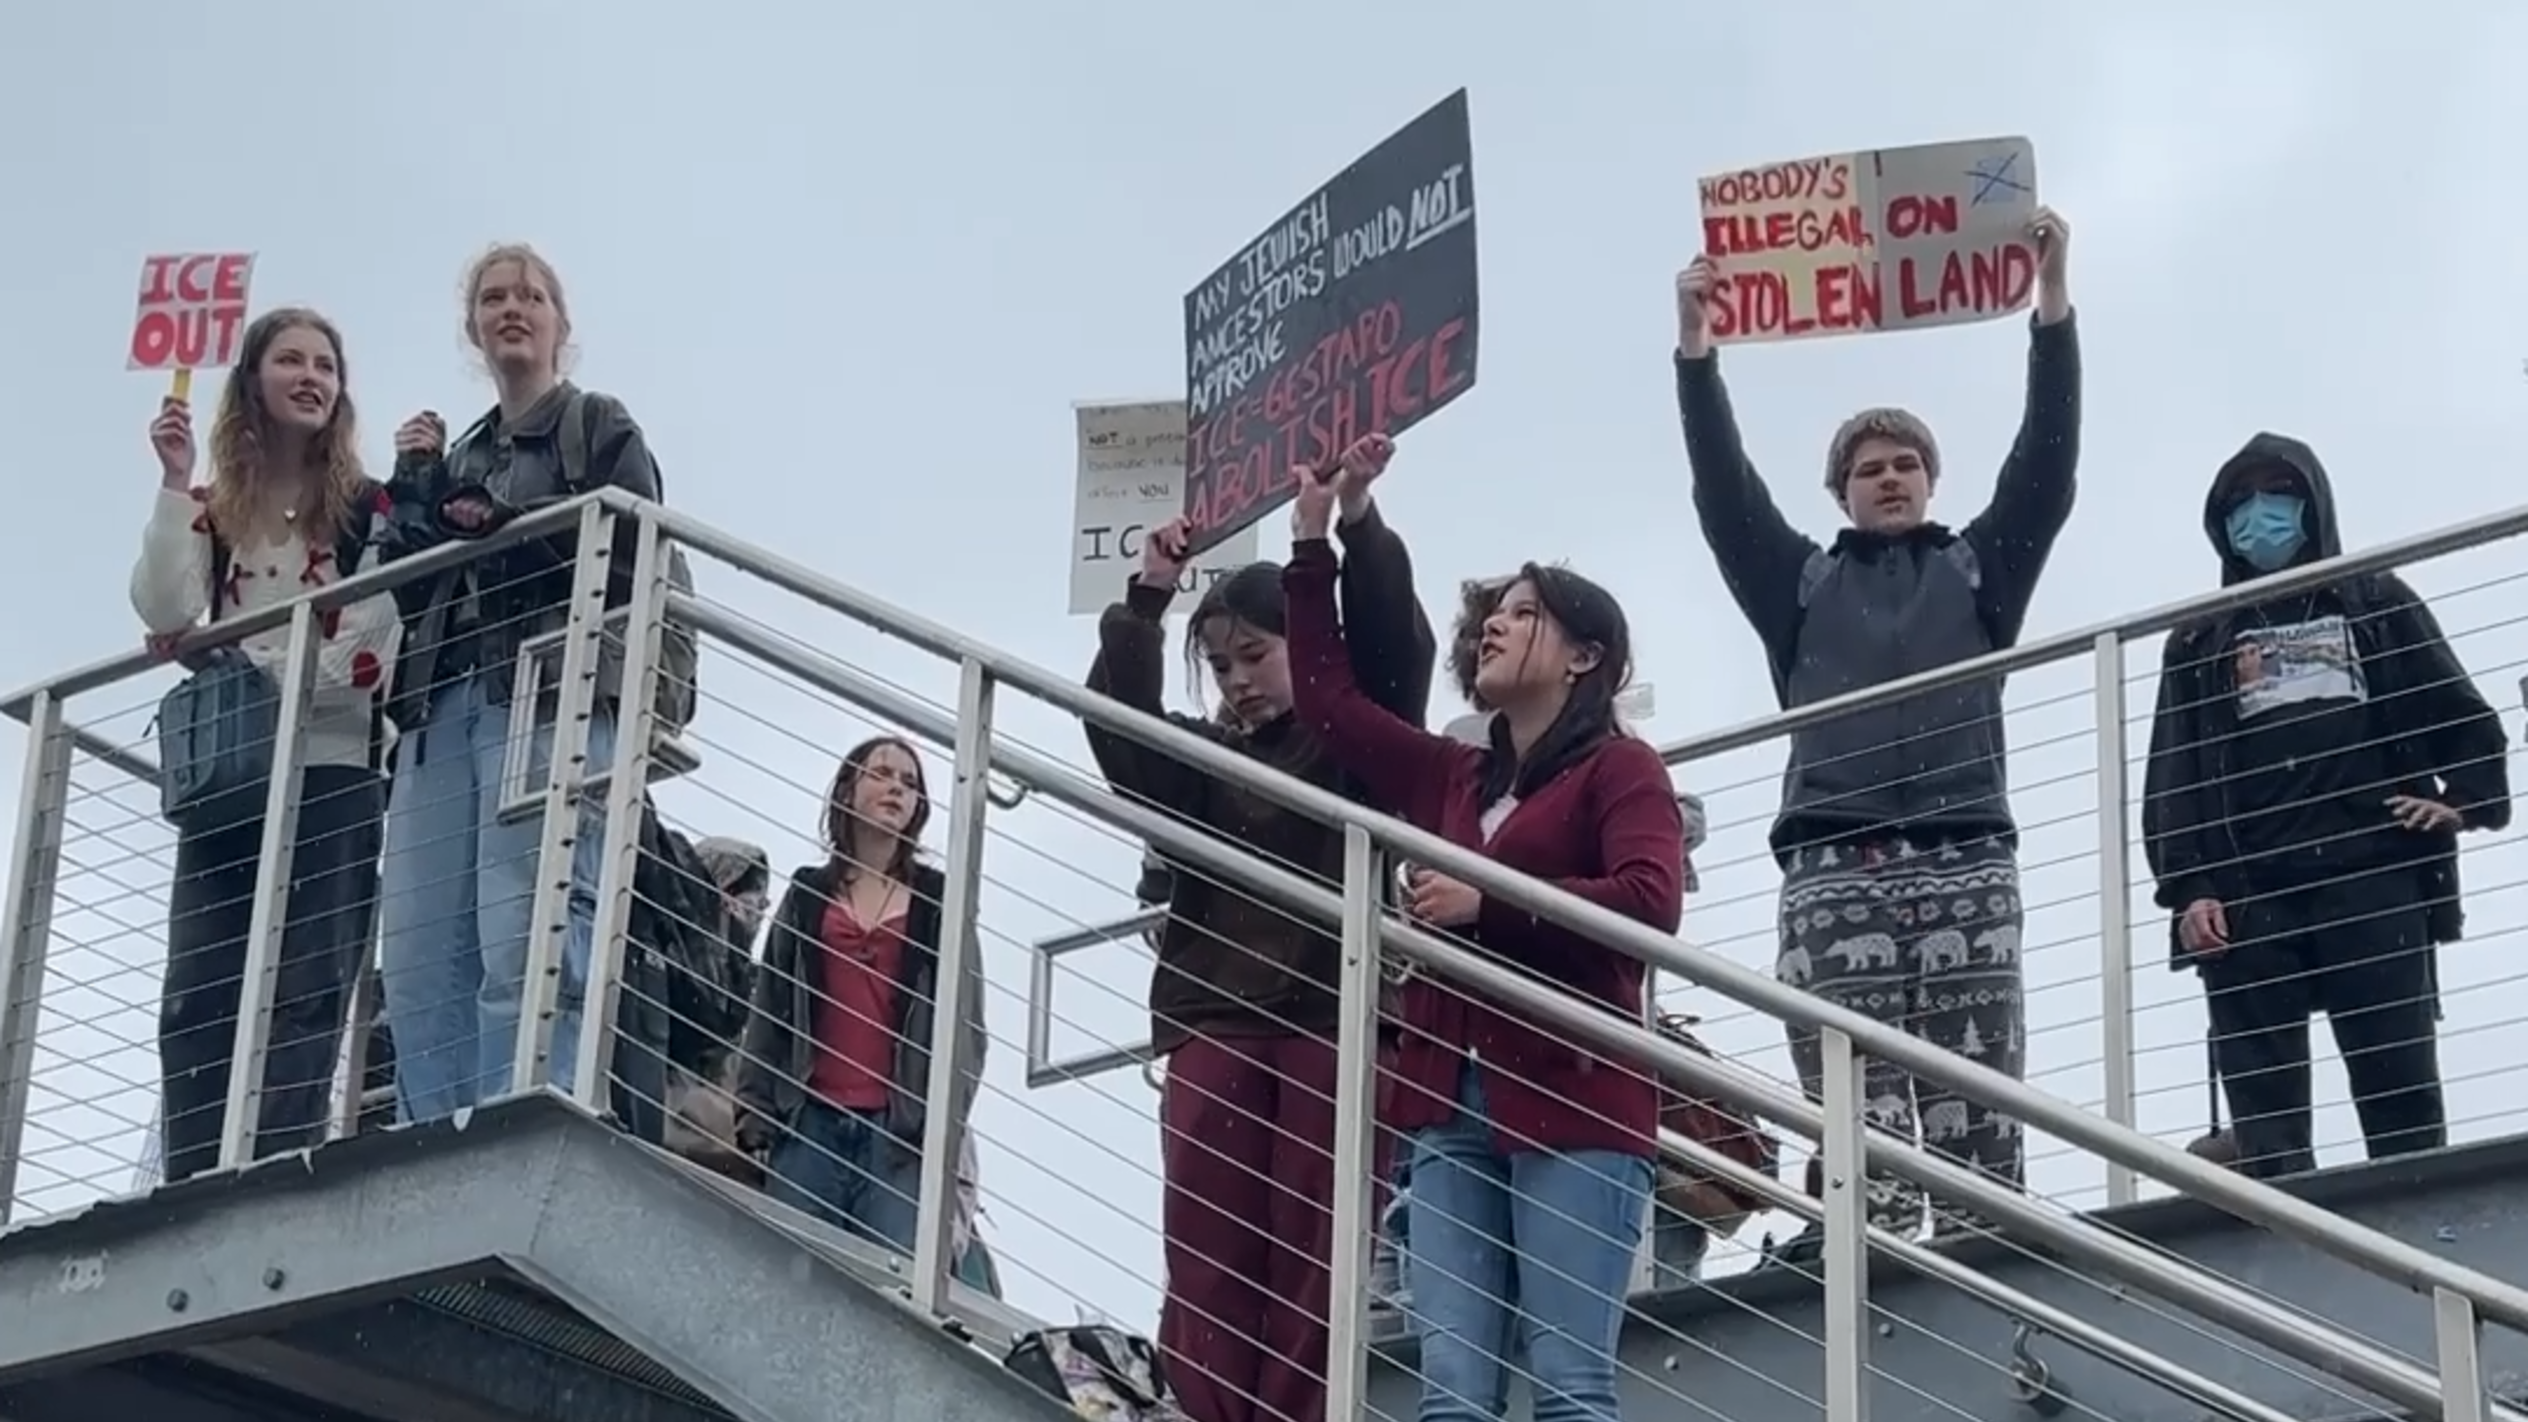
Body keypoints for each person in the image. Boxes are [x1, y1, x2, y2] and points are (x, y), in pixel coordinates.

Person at [1671, 209, 2080, 1239]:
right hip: (1830, 869)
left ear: (1929, 481)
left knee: (1978, 1118)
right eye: (1868, 467)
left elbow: (2047, 463)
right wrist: (1695, 353)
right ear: (1842, 492)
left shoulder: (1979, 568)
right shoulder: (1798, 586)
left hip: (1965, 856)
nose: (1889, 475)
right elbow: (1725, 499)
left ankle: (1987, 1309)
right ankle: (1877, 1320)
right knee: (1862, 1123)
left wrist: (2051, 304)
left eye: (1905, 462)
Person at [1283, 442, 1685, 1422]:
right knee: (1450, 1399)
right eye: (1491, 616)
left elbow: (1647, 905)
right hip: (1442, 1100)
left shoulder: (1619, 771)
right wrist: (1314, 537)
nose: (1493, 628)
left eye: (1522, 614)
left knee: (1568, 1392)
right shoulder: (1452, 775)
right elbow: (1329, 707)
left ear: (1584, 655)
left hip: (1574, 1099)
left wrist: (1486, 898)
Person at [1084, 435, 1434, 1422]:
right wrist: (1146, 596)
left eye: (1256, 654)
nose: (1236, 678)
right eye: (1220, 663)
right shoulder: (1197, 763)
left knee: (1315, 1261)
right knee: (1205, 1256)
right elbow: (1118, 732)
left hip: (1336, 1012)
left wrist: (1346, 523)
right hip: (1215, 1017)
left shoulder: (1355, 736)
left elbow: (1393, 648)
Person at [2142, 435, 2509, 1180]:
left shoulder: (2375, 600)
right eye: (2239, 502)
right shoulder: (2199, 638)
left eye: (2276, 493)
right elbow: (2171, 773)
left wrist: (2460, 803)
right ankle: (2281, 1255)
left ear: (2313, 504)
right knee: (2264, 1111)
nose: (2258, 514)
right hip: (2249, 893)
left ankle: (2422, 1245)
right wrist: (2191, 887)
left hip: (2372, 874)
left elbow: (2461, 713)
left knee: (2398, 1082)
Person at [372, 242, 664, 1123]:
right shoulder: (461, 452)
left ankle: (523, 1119)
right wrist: (417, 495)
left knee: (525, 928)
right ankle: (436, 1138)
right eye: (495, 296)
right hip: (441, 703)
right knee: (421, 954)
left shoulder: (596, 424)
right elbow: (413, 589)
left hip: (543, 693)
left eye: (531, 296)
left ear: (559, 324)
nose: (513, 308)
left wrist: (514, 525)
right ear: (473, 325)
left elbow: (633, 557)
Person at [130, 307, 402, 1183]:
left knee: (310, 980)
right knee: (198, 990)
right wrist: (176, 481)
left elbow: (367, 652)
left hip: (332, 768)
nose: (312, 376)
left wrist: (237, 657)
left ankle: (278, 1172)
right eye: (291, 359)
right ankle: (192, 1178)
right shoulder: (218, 510)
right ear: (254, 379)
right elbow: (165, 607)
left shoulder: (367, 510)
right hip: (236, 776)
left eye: (326, 363)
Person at [733, 736, 988, 1257]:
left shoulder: (939, 901)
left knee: (892, 1294)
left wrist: (939, 1126)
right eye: (882, 774)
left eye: (910, 783)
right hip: (808, 1127)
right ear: (848, 790)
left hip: (898, 1141)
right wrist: (754, 1112)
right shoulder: (807, 894)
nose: (897, 787)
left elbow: (969, 1031)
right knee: (793, 1285)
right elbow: (770, 1006)